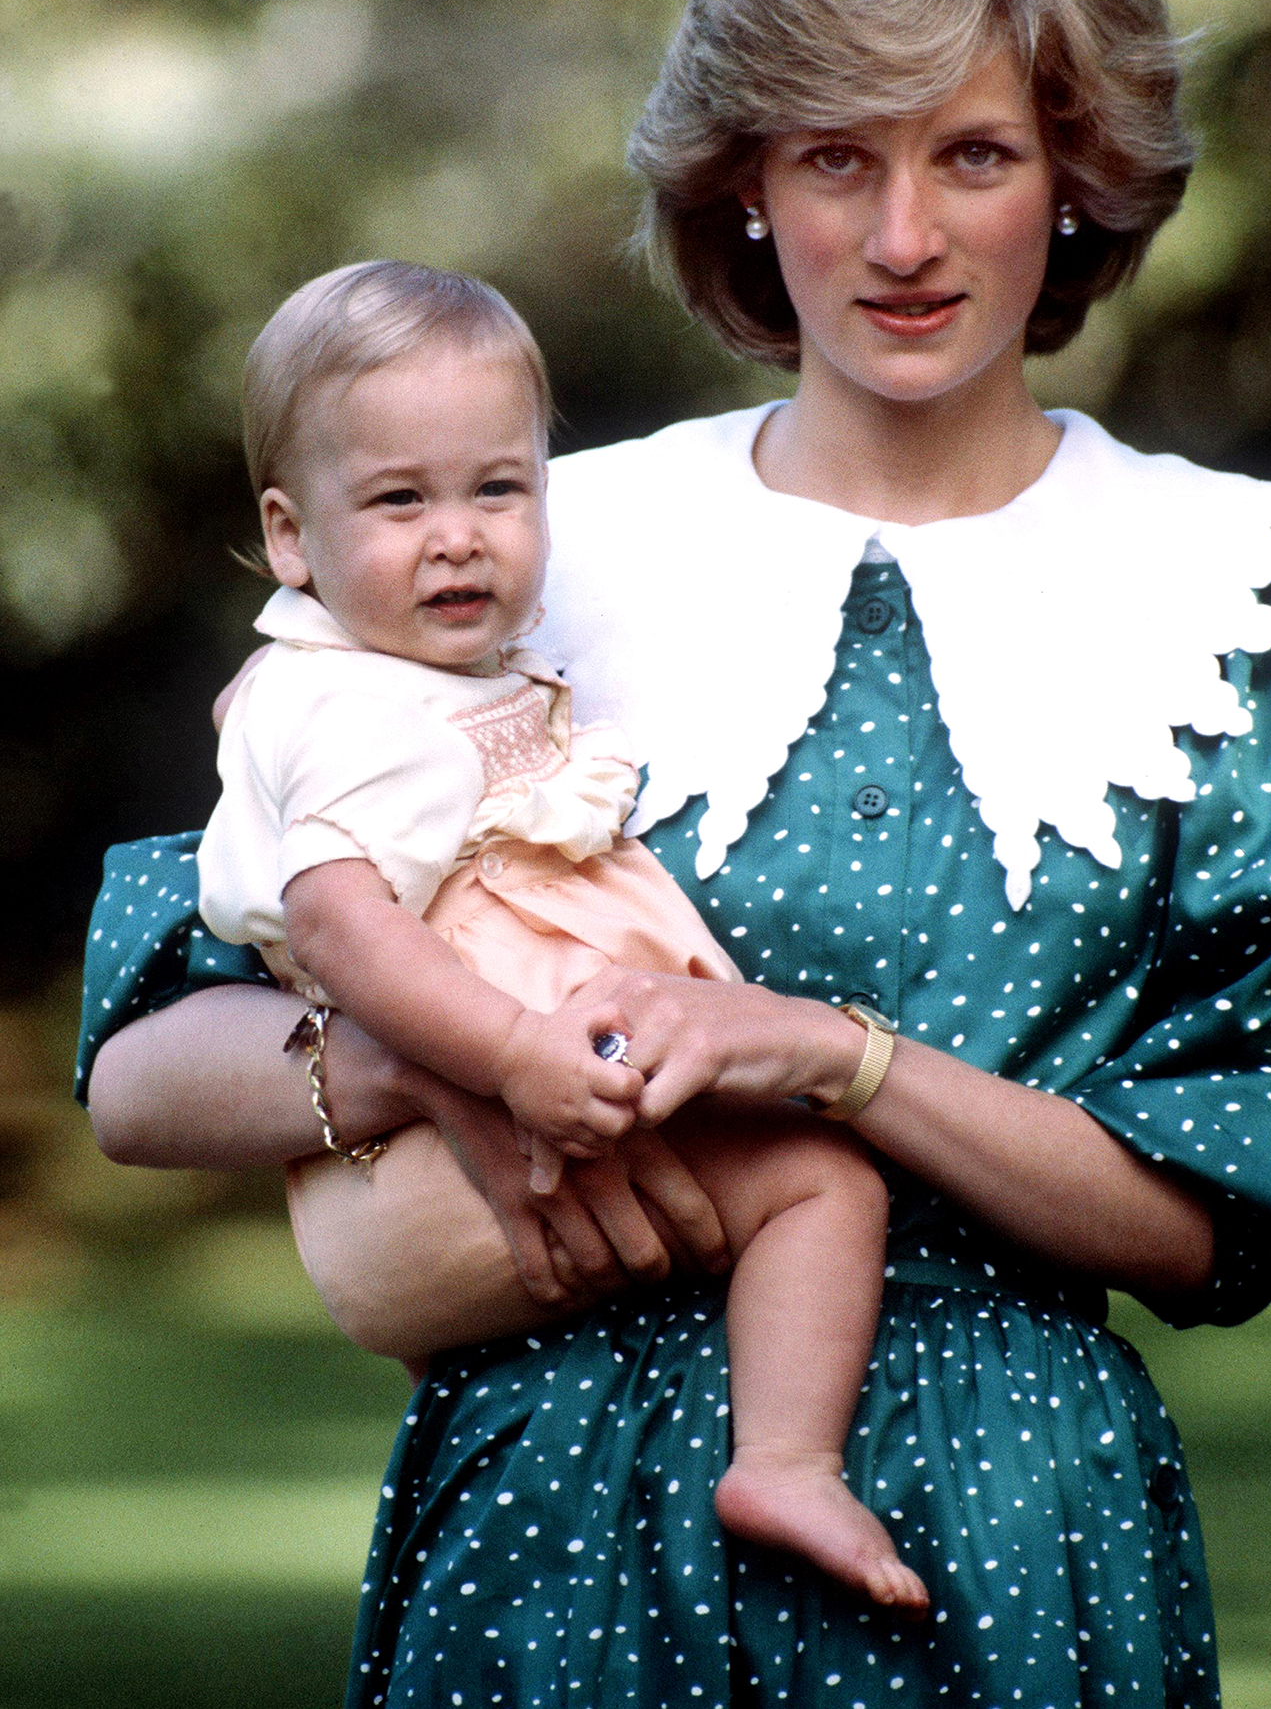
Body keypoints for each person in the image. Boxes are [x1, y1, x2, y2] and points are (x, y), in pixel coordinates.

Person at [78, 0, 1271, 1709]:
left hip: (1003, 1535)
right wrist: (432, 1060)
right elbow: (147, 1072)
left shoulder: (1235, 606)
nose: (903, 240)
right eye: (835, 158)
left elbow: (1222, 1219)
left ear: (1077, 178)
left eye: (975, 154)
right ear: (743, 185)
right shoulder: (507, 544)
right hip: (546, 1531)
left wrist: (834, 1064)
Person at [192, 255, 927, 1608]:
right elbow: (343, 930)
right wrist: (517, 1054)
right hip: (472, 1149)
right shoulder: (352, 711)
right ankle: (786, 1457)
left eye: (498, 489)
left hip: (443, 1184)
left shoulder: (401, 682)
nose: (459, 535)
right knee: (828, 1185)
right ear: (294, 539)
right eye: (401, 501)